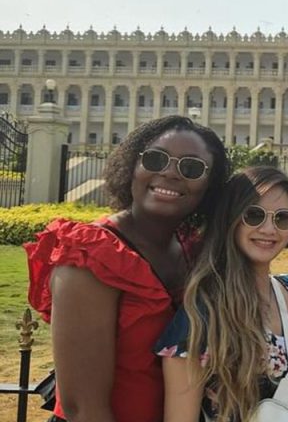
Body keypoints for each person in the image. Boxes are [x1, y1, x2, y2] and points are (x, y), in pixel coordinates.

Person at [25, 115, 229, 422]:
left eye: (191, 167)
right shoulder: (91, 257)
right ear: (133, 166)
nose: (171, 173)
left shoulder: (193, 250)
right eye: (157, 159)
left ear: (209, 187)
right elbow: (84, 409)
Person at [157, 166, 288, 421]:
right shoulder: (202, 312)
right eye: (253, 215)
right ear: (231, 219)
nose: (269, 229)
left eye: (282, 218)